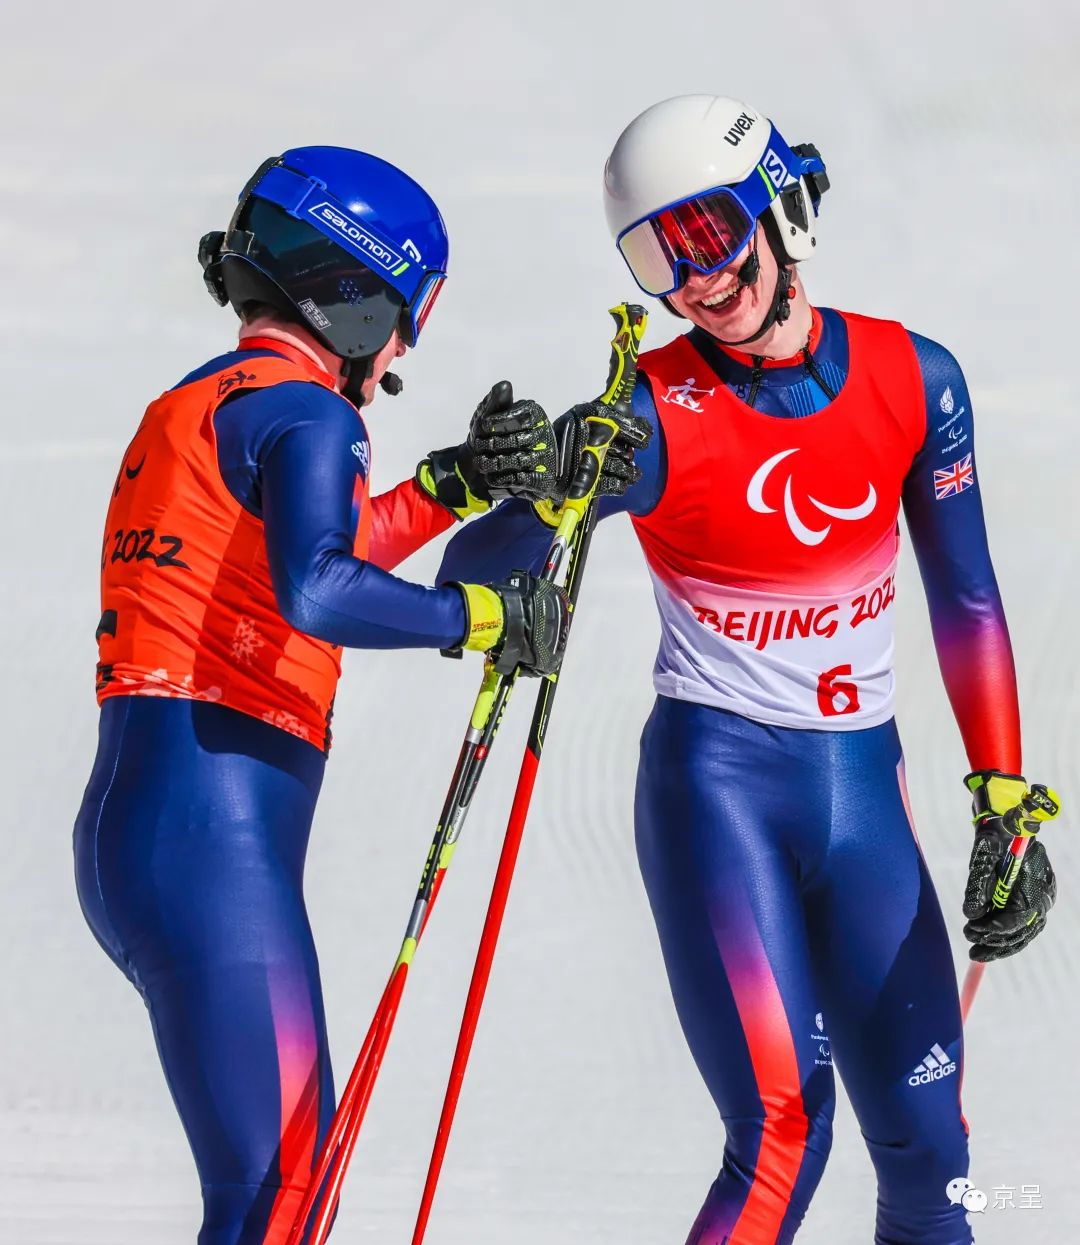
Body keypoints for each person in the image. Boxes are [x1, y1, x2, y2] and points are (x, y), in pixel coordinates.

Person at [437, 96, 1059, 1244]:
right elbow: (467, 576)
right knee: (782, 1135)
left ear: (782, 208)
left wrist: (1004, 803)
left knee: (935, 1158)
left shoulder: (916, 376)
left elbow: (968, 601)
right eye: (658, 258)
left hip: (862, 796)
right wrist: (544, 480)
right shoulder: (650, 410)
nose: (699, 281)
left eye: (711, 233)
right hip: (718, 794)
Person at [73, 145, 573, 1244]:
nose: (399, 355)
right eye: (406, 316)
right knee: (284, 1193)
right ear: (351, 294)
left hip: (150, 820)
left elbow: (304, 554)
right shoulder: (312, 414)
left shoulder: (206, 401)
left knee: (279, 1189)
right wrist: (481, 618)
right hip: (211, 827)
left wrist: (448, 486)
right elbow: (317, 585)